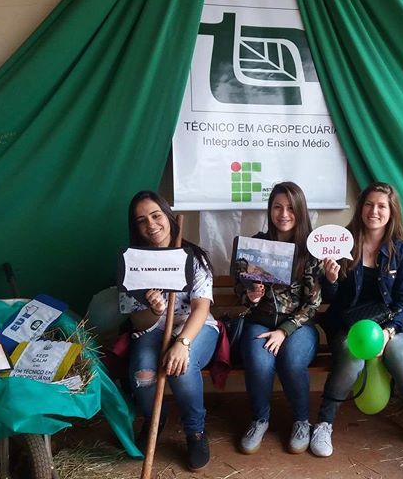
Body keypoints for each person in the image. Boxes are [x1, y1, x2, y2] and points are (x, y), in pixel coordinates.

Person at [311, 182, 403, 461]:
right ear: (361, 207)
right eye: (369, 204)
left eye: (381, 206)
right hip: (347, 325)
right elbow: (330, 298)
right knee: (352, 362)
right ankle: (323, 424)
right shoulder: (342, 243)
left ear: (391, 211)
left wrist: (387, 334)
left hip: (386, 324)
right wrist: (331, 279)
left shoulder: (402, 252)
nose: (374, 211)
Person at [120, 190, 218, 471]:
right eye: (141, 220)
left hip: (193, 326)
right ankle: (154, 418)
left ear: (168, 216)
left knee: (180, 367)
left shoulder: (193, 257)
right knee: (142, 372)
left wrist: (182, 343)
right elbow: (137, 322)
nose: (151, 225)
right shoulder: (132, 263)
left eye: (156, 215)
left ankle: (195, 431)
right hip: (152, 329)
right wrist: (153, 309)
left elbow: (201, 307)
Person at [235, 182, 322, 455]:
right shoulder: (254, 245)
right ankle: (260, 420)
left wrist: (284, 330)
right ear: (270, 210)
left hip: (298, 326)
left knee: (292, 360)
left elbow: (313, 303)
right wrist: (251, 296)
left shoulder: (310, 251)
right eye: (277, 207)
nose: (283, 214)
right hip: (259, 322)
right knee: (259, 363)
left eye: (290, 208)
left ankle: (302, 421)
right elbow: (239, 289)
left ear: (300, 211)